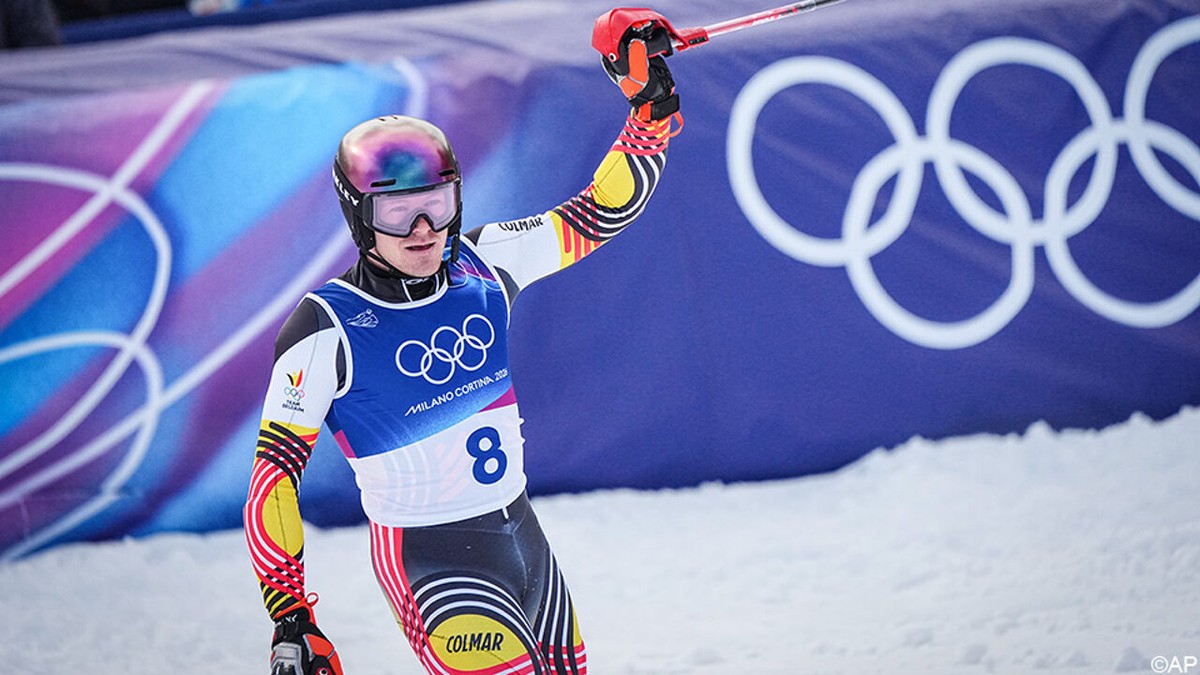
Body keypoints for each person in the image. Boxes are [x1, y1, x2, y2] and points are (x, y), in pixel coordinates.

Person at [244, 25, 681, 675]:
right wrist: (291, 615)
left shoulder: (486, 262)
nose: (423, 230)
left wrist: (648, 114)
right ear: (358, 213)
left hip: (521, 533)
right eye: (397, 213)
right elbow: (274, 474)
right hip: (430, 557)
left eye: (437, 204)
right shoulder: (324, 326)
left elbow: (602, 211)